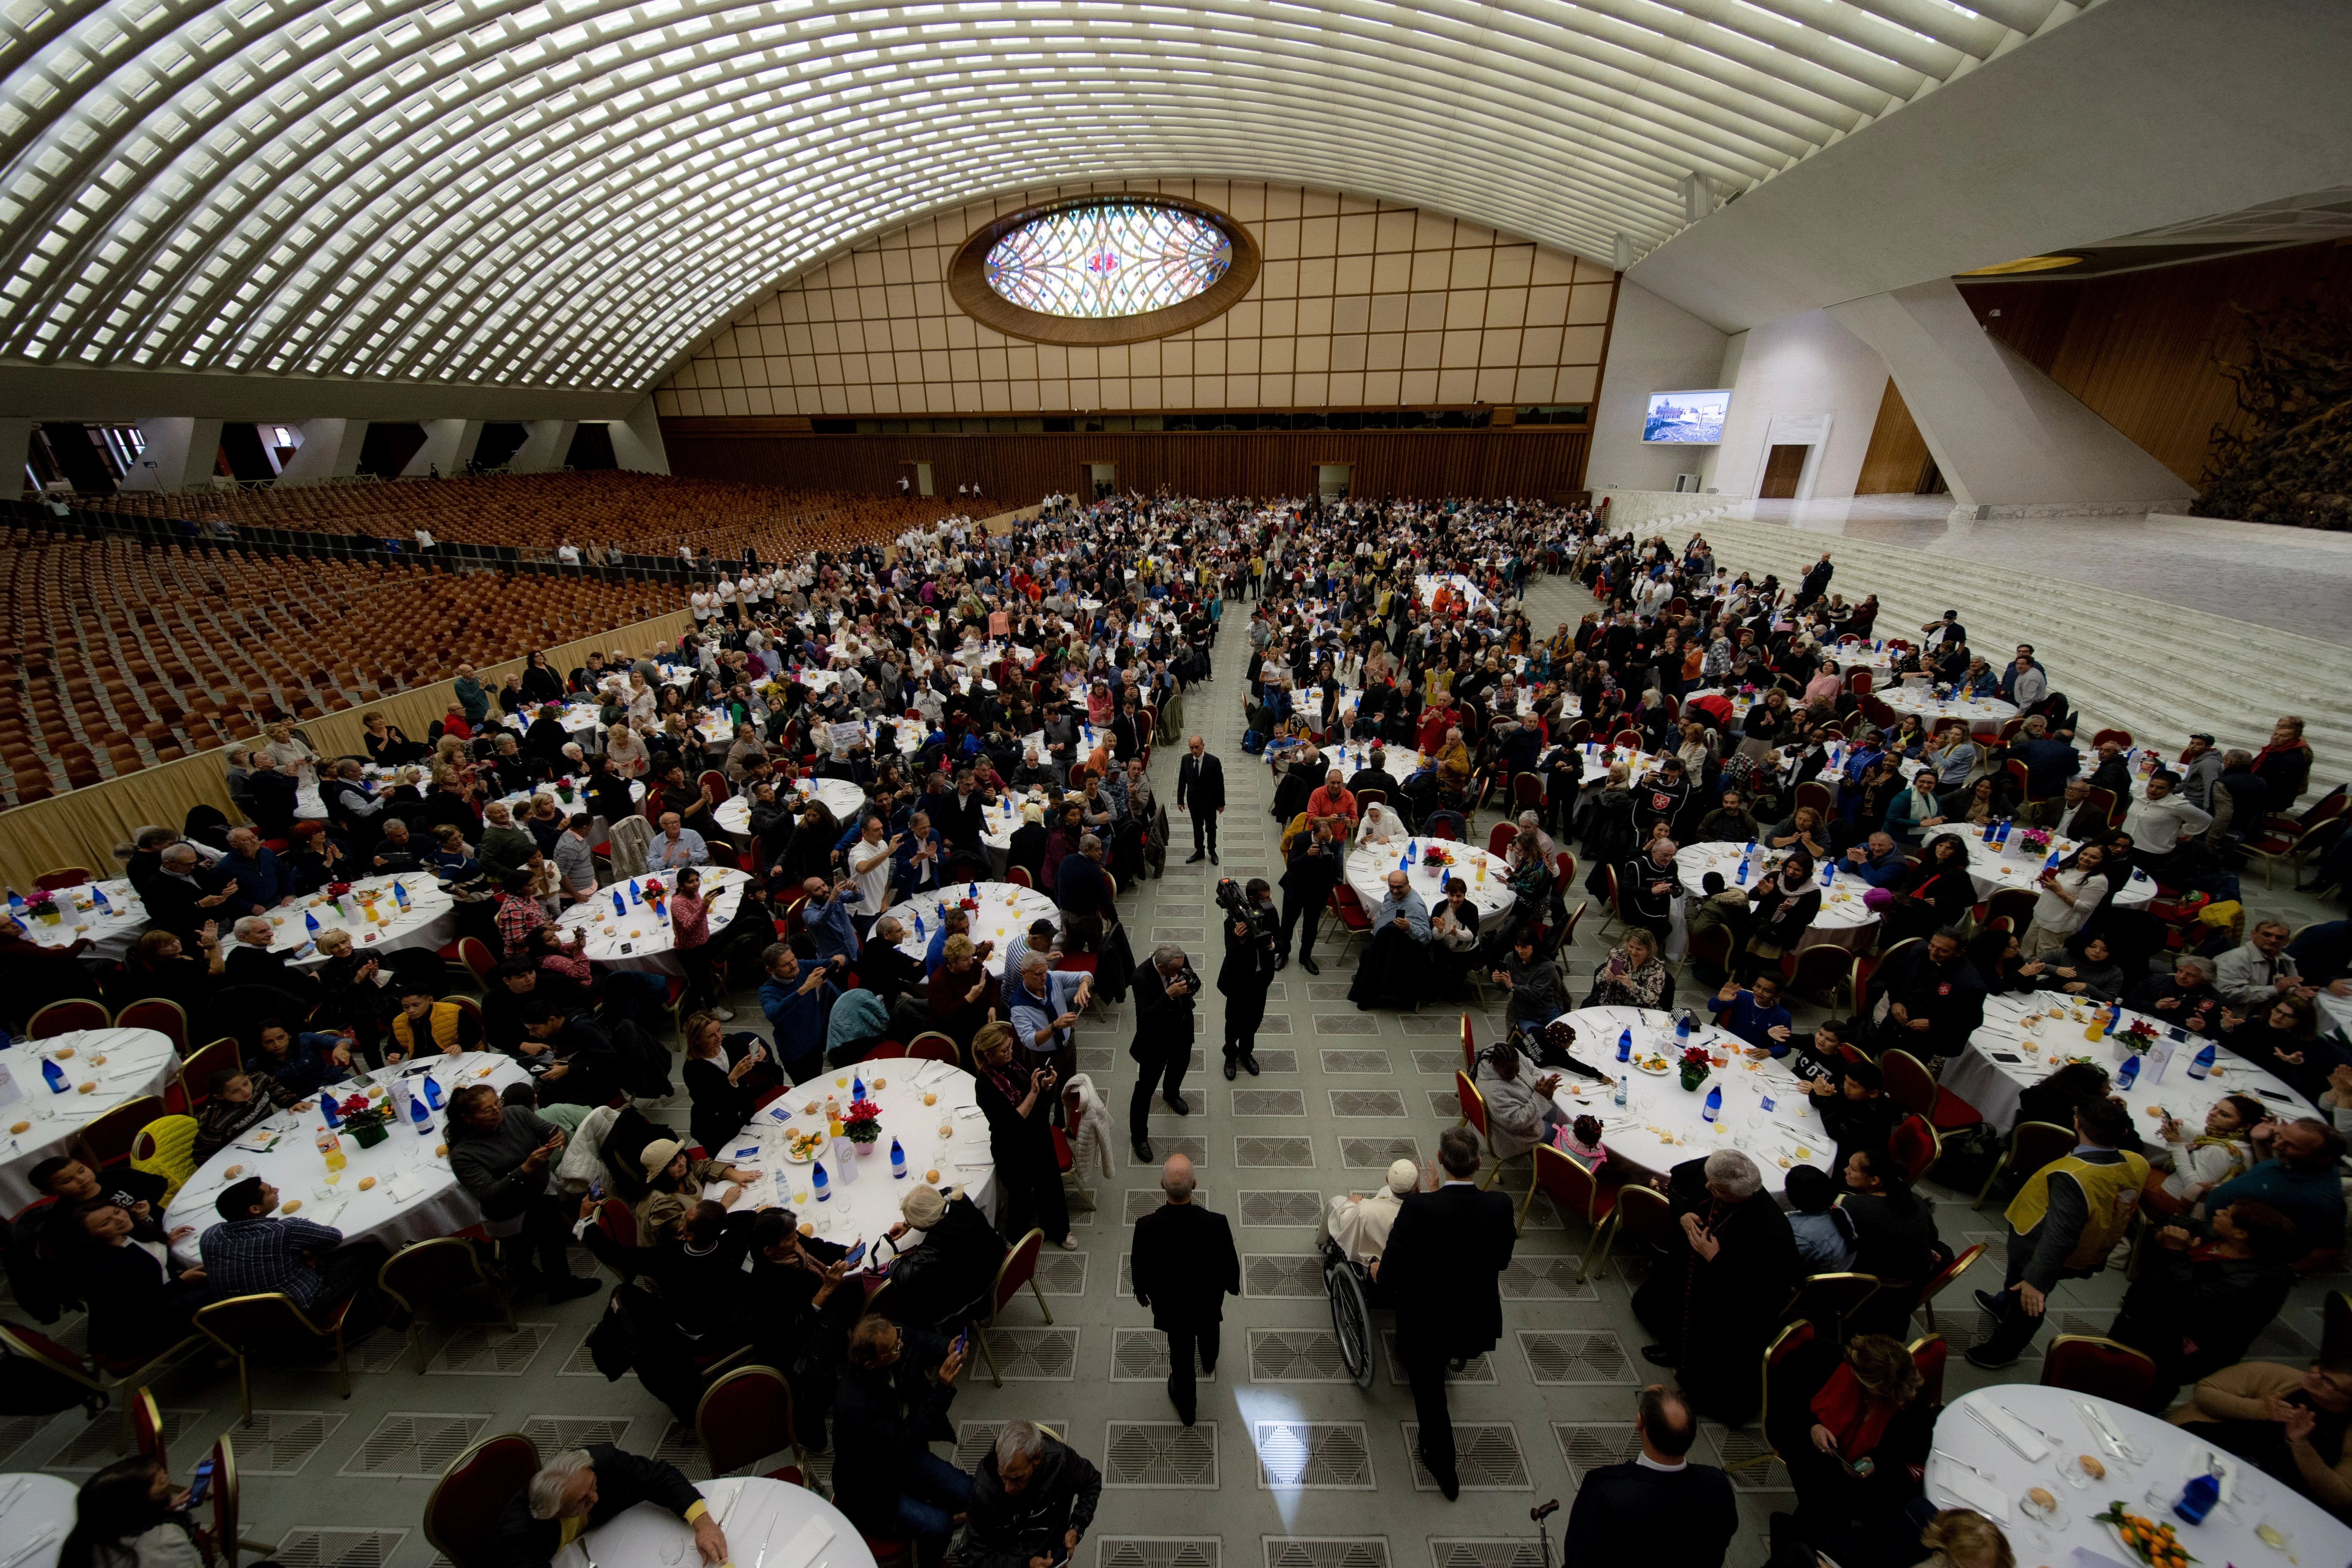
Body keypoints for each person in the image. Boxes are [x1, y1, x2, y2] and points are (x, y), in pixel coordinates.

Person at [1375, 1124, 1517, 1499]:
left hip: (1428, 1326)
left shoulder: (1419, 1208)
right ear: (1479, 1162)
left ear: (1439, 1160)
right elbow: (1501, 1260)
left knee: (1431, 1395)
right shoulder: (1500, 1206)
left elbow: (1390, 1275)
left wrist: (1378, 1272)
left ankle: (1443, 1465)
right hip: (1476, 1319)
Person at [1966, 1096, 2146, 1369]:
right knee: (2014, 1288)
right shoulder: (2132, 1163)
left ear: (2076, 1124)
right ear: (2123, 1132)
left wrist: (2036, 1281)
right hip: (2089, 1247)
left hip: (2039, 1252)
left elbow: (2060, 1235)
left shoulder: (2074, 1176)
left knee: (2028, 1300)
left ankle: (2004, 1348)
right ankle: (2004, 1304)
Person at [1632, 1148, 1798, 1423]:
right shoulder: (1716, 1171)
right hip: (1690, 1271)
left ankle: (1698, 1394)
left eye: (1717, 1190)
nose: (1707, 1188)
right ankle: (1675, 1347)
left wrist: (1716, 1258)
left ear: (1741, 1195)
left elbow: (1764, 1292)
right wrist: (1684, 1214)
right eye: (1709, 1181)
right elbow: (1679, 1184)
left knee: (1712, 1347)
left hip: (1728, 1303)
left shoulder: (1772, 1233)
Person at [2108, 1198, 2301, 1409]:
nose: (2218, 1211)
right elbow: (2172, 1223)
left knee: (2146, 1391)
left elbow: (2188, 1298)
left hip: (2175, 1349)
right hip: (2142, 1320)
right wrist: (2163, 1237)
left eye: (2227, 1213)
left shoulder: (2258, 1281)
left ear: (2241, 1233)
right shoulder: (2220, 1234)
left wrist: (2177, 1252)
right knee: (2110, 1369)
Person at [832, 1315, 974, 1568]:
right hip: (870, 1491)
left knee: (967, 1489)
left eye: (897, 1338)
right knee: (940, 1526)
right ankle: (930, 1562)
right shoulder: (856, 1408)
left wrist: (946, 1348)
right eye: (896, 1347)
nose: (901, 1344)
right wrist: (942, 1390)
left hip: (896, 1457)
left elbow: (913, 1337)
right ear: (871, 1364)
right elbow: (904, 1439)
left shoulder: (888, 1340)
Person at [444, 1083, 602, 1301]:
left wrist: (559, 1135)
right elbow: (489, 1195)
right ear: (468, 1118)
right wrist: (526, 1168)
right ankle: (538, 1284)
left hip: (538, 1193)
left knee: (551, 1239)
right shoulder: (463, 1154)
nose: (497, 1111)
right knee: (524, 1253)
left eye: (497, 1103)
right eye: (487, 1110)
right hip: (508, 1209)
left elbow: (549, 1129)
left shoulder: (516, 1113)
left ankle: (559, 1286)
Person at [1559, 1385, 1737, 1568]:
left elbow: (1580, 1556)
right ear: (1695, 1434)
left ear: (1640, 1423)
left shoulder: (1608, 1493)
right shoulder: (1717, 1485)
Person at [1129, 1153, 1241, 1427]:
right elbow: (1230, 1263)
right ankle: (1209, 1361)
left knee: (1181, 1358)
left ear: (1161, 1185)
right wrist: (1231, 1287)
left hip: (1172, 1311)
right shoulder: (1217, 1223)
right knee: (1210, 1329)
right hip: (1207, 1304)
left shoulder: (1146, 1228)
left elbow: (1139, 1266)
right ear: (1194, 1184)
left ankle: (1188, 1412)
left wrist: (1142, 1294)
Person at [2170, 1354, 2352, 1513]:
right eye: (2319, 1368)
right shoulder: (2283, 1378)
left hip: (2274, 1499)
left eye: (2328, 1382)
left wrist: (2301, 1445)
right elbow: (2205, 1390)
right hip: (2213, 1458)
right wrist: (2259, 1409)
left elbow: (2343, 1496)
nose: (2313, 1377)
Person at [495, 1444, 727, 1568]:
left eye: (593, 1486)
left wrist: (704, 1523)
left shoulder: (600, 1462)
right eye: (582, 1502)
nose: (594, 1499)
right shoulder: (519, 1540)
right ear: (555, 1515)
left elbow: (658, 1477)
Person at [197, 1175, 385, 1318]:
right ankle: (382, 1310)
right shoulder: (285, 1230)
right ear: (255, 1209)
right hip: (303, 1309)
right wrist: (304, 1250)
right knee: (372, 1249)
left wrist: (300, 1251)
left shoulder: (209, 1236)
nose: (277, 1190)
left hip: (250, 1321)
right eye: (270, 1191)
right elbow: (334, 1238)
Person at [971, 1020, 1071, 1251]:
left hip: (1036, 1134)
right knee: (1020, 1196)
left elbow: (1039, 1100)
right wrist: (1035, 1093)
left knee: (1051, 1183)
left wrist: (1045, 1086)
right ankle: (1017, 1238)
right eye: (1005, 1050)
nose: (1011, 1052)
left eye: (1010, 1046)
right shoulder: (985, 1086)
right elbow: (1012, 1124)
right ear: (988, 1054)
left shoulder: (1013, 1063)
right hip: (1012, 1147)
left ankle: (1059, 1230)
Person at [2200, 1116, 2346, 1260]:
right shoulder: (2297, 1162)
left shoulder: (2321, 1201)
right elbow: (2274, 1176)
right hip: (2212, 1222)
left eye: (2291, 1145)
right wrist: (2259, 1143)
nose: (2276, 1146)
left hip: (2227, 1245)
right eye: (2280, 1137)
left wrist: (2283, 1274)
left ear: (2323, 1159)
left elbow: (2332, 1251)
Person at [962, 1420, 1102, 1568]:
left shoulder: (1060, 1461)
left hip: (1051, 1548)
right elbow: (978, 1558)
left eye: (1017, 1478)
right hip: (1007, 1559)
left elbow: (1092, 1481)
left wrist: (1077, 1528)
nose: (1008, 1488)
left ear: (1036, 1458)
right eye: (1003, 1476)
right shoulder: (983, 1491)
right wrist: (1025, 1565)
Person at [56, 1455, 206, 1568]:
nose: (168, 1479)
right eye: (161, 1485)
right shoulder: (167, 1542)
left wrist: (162, 1509)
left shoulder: (88, 1535)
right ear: (137, 1507)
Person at [1128, 943, 1197, 1161]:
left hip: (1182, 1030)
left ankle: (1171, 1094)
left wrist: (1190, 987)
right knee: (1145, 1089)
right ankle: (1139, 1137)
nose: (1180, 971)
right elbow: (1146, 1018)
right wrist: (1168, 995)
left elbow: (1193, 980)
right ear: (1161, 967)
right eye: (1175, 971)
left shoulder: (1178, 960)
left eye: (1181, 966)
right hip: (1155, 1042)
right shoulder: (1141, 977)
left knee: (1180, 1066)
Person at [1217, 877, 1278, 1078]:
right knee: (1233, 1023)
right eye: (1266, 898)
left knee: (1253, 1022)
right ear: (1252, 900)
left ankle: (1246, 1054)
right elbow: (1231, 954)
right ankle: (1230, 1056)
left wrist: (1271, 946)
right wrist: (1240, 940)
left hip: (1261, 981)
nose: (1271, 900)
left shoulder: (1270, 912)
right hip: (1238, 983)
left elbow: (1283, 942)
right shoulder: (1232, 922)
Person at [1348, 867, 1429, 1011]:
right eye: (1392, 887)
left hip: (1393, 950)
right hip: (1381, 941)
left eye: (1399, 888)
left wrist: (1410, 926)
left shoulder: (1415, 907)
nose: (1395, 891)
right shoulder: (1392, 894)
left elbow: (1426, 936)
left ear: (1408, 885)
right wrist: (1378, 918)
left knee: (1369, 957)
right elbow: (1385, 909)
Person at [1320, 1157, 1420, 1265]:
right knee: (1384, 1191)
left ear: (1387, 1180)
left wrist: (1351, 1203)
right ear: (1418, 1189)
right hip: (1402, 1262)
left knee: (1336, 1202)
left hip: (1372, 1262)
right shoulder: (1428, 1214)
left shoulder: (1365, 1209)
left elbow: (1345, 1221)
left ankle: (1321, 1240)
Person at [1276, 816, 1344, 975]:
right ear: (1314, 834)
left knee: (1311, 926)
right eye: (1322, 839)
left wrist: (1328, 861)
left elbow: (1337, 874)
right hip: (1296, 887)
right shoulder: (1300, 839)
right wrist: (1307, 855)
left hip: (1317, 891)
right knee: (1287, 923)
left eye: (1328, 838)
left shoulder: (1333, 844)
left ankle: (1305, 957)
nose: (1325, 842)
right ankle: (1283, 954)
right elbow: (1291, 865)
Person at [1784, 1162, 1857, 1271]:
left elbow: (1785, 1263)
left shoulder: (1800, 1232)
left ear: (1791, 1196)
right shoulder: (1838, 1210)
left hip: (1824, 1282)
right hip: (1846, 1267)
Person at [1707, 971, 1794, 1052]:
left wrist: (1769, 1052)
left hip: (1755, 1054)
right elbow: (1712, 1008)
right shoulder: (1742, 996)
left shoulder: (1783, 1016)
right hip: (1730, 1044)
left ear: (1776, 996)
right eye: (1758, 986)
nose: (1760, 992)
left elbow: (1785, 1047)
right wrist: (1719, 1000)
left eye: (1767, 991)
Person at [1587, 927, 1669, 1008]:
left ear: (1649, 950)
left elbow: (1653, 998)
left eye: (1639, 949)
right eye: (1631, 947)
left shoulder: (1656, 967)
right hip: (1613, 1003)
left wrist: (1632, 986)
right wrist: (1607, 976)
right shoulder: (1618, 956)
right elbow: (1598, 981)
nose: (1633, 952)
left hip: (1641, 1008)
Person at [1175, 735, 1225, 863]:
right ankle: (1199, 851)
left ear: (1203, 746)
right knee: (1197, 828)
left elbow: (1220, 784)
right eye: (1191, 748)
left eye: (1197, 747)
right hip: (1194, 802)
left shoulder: (1213, 761)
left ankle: (1212, 851)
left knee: (1211, 828)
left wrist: (1221, 804)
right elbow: (1182, 780)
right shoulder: (1186, 760)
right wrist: (1180, 800)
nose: (1194, 750)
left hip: (1209, 803)